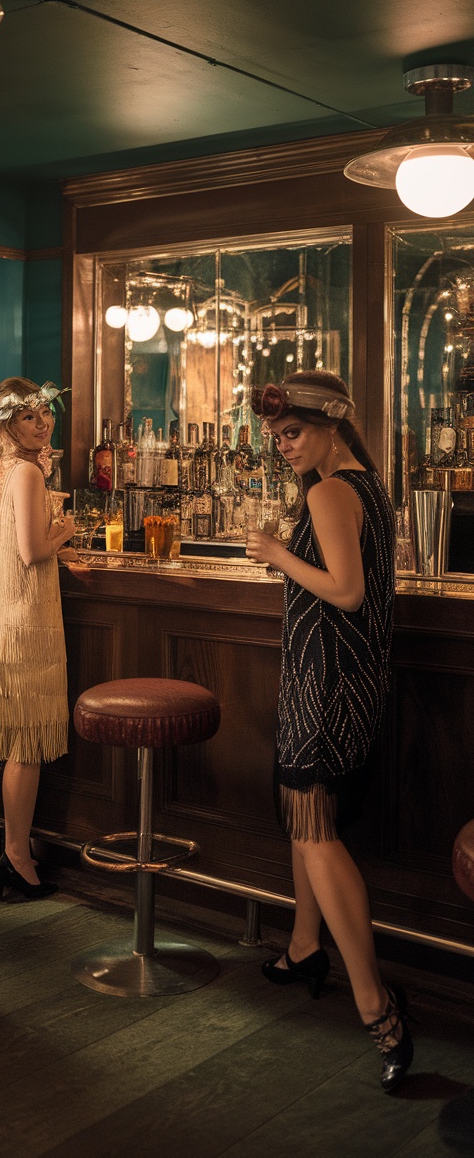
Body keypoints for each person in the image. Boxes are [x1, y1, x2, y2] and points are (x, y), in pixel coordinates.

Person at [244, 370, 411, 1093]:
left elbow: (345, 589)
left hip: (329, 684)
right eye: (277, 436)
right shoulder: (367, 485)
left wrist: (275, 553)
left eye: (294, 432)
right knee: (306, 815)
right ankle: (305, 946)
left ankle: (379, 1008)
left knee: (313, 826)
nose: (284, 446)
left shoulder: (331, 490)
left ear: (332, 426)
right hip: (343, 676)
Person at [0, 377, 75, 900]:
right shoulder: (28, 471)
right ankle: (16, 856)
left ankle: (14, 848)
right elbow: (34, 550)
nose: (44, 423)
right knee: (25, 747)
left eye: (46, 414)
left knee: (16, 742)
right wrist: (67, 530)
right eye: (32, 417)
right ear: (6, 423)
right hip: (28, 620)